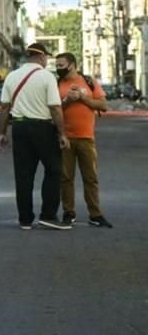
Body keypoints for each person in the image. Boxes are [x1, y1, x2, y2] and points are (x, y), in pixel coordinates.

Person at [0, 43, 71, 230]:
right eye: (47, 57)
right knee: (54, 169)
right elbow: (55, 107)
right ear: (41, 57)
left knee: (23, 175)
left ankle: (25, 219)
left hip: (20, 127)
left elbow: (5, 107)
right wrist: (62, 133)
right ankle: (48, 215)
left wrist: (2, 132)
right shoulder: (47, 77)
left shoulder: (12, 76)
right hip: (43, 128)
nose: (47, 60)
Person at [55, 52, 111, 227]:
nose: (58, 68)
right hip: (65, 138)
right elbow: (52, 109)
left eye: (61, 65)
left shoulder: (88, 82)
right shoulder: (56, 83)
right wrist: (67, 101)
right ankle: (68, 213)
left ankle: (95, 214)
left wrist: (82, 97)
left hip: (86, 137)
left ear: (71, 64)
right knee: (66, 178)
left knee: (90, 177)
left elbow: (103, 105)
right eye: (57, 65)